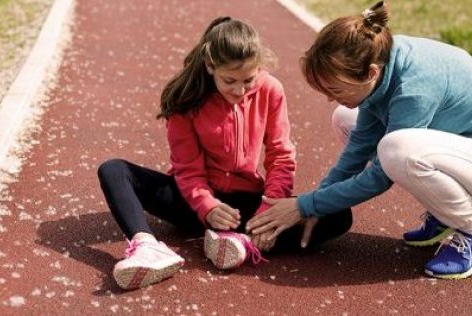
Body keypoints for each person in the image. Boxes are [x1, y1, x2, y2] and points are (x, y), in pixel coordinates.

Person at [247, 1, 472, 280]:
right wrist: (316, 206)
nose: (329, 97)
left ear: (371, 72)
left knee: (396, 150)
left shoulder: (414, 87)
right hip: (464, 154)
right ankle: (446, 214)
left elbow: (380, 176)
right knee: (345, 118)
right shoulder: (381, 63)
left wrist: (306, 205)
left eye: (334, 88)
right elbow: (357, 152)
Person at [97, 16, 352, 290]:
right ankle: (148, 247)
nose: (240, 90)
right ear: (210, 66)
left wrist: (270, 211)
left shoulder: (271, 90)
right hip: (193, 204)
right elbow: (187, 169)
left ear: (259, 68)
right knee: (113, 169)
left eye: (248, 80)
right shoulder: (186, 99)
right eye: (229, 80)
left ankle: (242, 242)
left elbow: (280, 155)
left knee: (338, 214)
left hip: (247, 207)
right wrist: (207, 207)